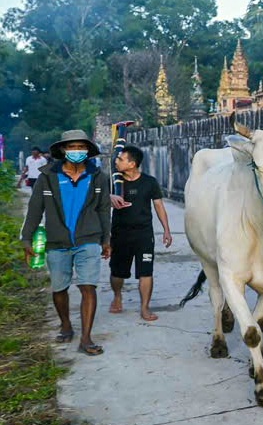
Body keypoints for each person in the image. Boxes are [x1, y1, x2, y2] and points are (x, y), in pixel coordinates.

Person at [21, 129, 112, 355]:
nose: (76, 151)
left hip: (88, 240)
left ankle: (86, 338)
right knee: (59, 287)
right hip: (56, 241)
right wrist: (26, 238)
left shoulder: (98, 177)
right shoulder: (48, 177)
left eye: (80, 147)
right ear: (63, 150)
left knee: (88, 286)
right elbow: (35, 209)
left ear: (87, 150)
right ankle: (66, 324)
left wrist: (106, 239)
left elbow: (103, 209)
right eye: (71, 147)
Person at [108, 145, 173, 322]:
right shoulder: (114, 182)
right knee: (117, 273)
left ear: (132, 164)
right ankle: (117, 296)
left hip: (144, 234)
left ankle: (145, 307)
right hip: (120, 233)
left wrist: (166, 229)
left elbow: (159, 205)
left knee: (146, 271)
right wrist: (109, 198)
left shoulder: (149, 182)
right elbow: (97, 201)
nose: (116, 161)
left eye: (121, 159)